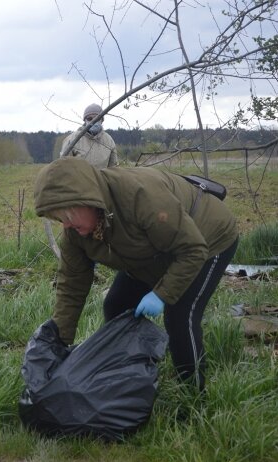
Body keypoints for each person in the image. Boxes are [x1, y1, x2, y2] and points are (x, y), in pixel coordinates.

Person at [34, 156, 238, 392]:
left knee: (179, 316)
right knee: (116, 305)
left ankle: (193, 394)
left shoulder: (140, 197)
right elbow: (72, 284)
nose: (66, 225)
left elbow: (192, 250)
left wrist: (161, 295)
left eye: (69, 216)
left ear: (88, 200)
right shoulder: (76, 233)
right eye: (59, 219)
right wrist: (59, 338)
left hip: (206, 239)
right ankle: (125, 378)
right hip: (150, 251)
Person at [60, 103, 118, 168]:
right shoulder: (73, 139)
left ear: (102, 120)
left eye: (97, 118)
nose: (93, 121)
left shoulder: (109, 141)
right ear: (85, 121)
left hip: (101, 178)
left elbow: (113, 168)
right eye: (89, 119)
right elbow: (64, 166)